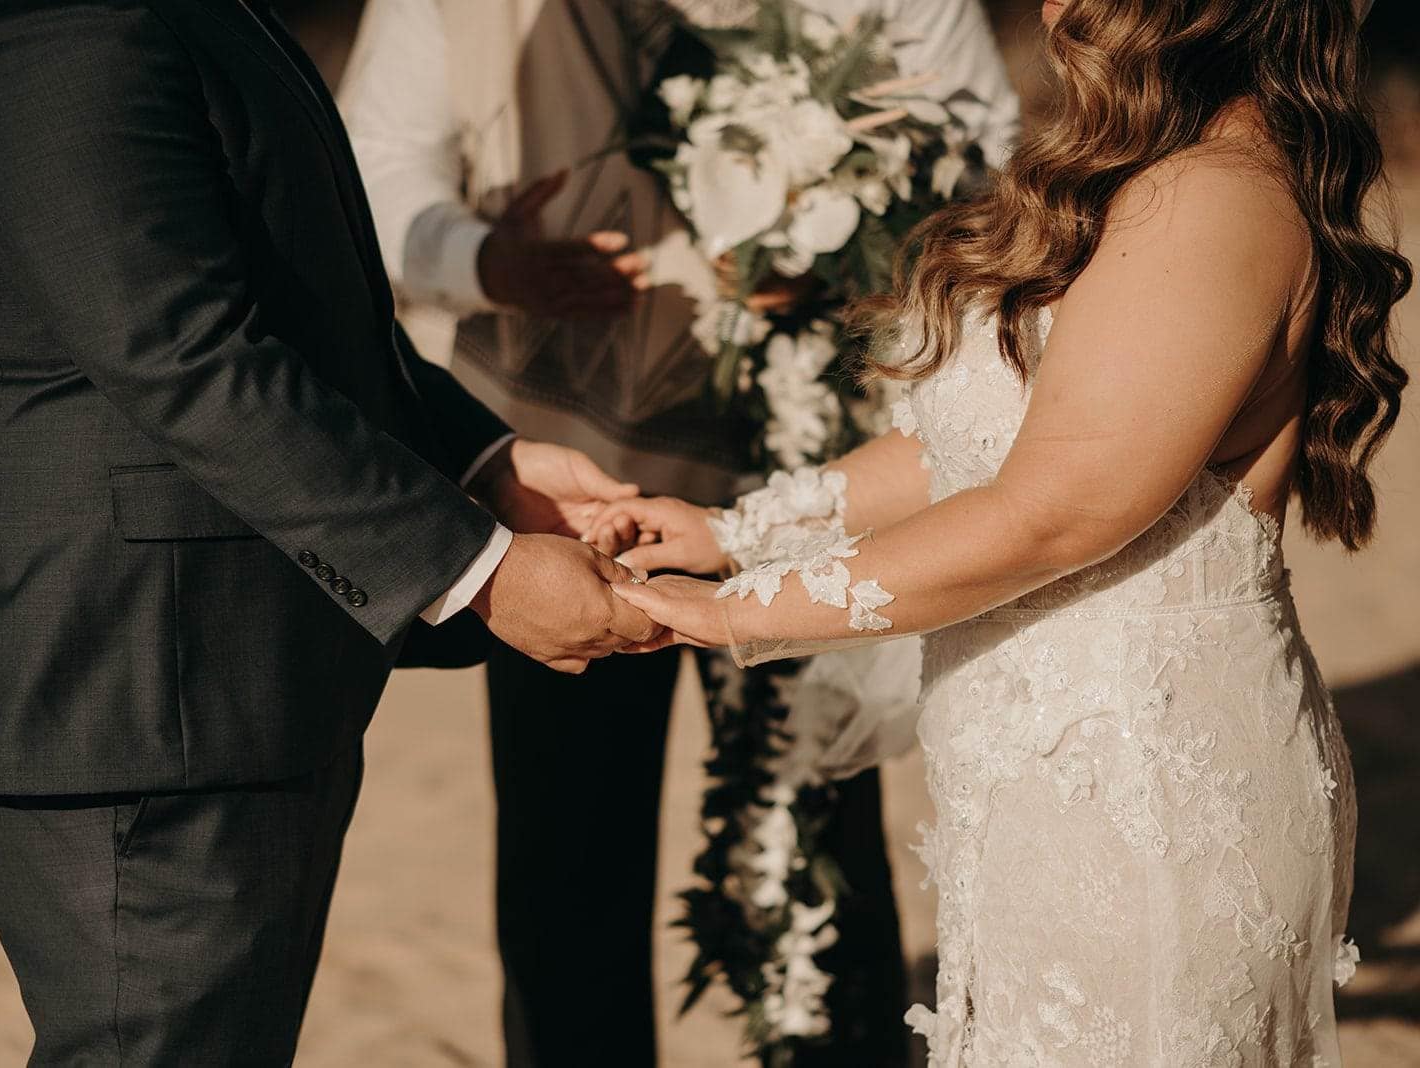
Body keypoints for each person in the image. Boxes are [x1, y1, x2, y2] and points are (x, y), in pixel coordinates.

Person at [590, 0, 1406, 1061]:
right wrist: (736, 530)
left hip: (1143, 788)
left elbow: (1052, 511)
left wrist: (727, 615)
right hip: (1048, 790)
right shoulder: (1144, 167)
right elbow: (983, 446)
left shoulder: (1212, 196)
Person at [0, 0, 660, 1060]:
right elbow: (185, 357)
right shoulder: (51, 26)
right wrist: (474, 569)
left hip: (236, 677)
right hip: (138, 695)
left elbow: (303, 314)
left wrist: (490, 461)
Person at [339, 2, 1018, 1064]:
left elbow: (988, 156)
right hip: (568, 494)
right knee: (568, 859)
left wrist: (861, 245)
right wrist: (484, 261)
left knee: (818, 845)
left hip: (814, 476)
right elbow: (370, 170)